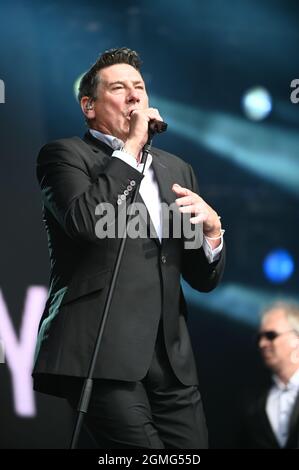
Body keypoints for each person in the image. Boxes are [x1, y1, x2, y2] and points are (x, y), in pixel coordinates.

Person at [32, 47, 225, 449]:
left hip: (172, 362)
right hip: (102, 354)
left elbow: (200, 277)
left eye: (139, 86)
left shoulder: (176, 168)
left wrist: (211, 232)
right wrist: (132, 146)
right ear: (89, 106)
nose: (134, 95)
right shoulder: (65, 156)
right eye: (119, 88)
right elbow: (87, 222)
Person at [242, 301, 299, 449]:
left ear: (296, 339)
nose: (262, 344)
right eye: (259, 338)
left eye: (270, 335)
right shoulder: (254, 402)